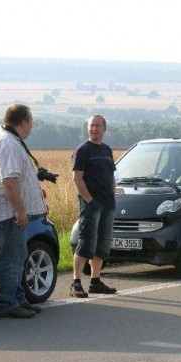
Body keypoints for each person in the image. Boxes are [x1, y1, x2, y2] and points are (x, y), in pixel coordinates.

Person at [0, 104, 46, 318]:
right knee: (12, 259)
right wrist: (20, 211)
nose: (31, 127)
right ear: (22, 122)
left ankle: (18, 299)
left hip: (10, 212)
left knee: (18, 256)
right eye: (30, 122)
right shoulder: (8, 143)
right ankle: (8, 303)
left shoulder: (8, 139)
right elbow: (9, 181)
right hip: (9, 213)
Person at [70, 114, 117, 298]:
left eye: (98, 126)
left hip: (107, 203)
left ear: (105, 128)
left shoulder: (106, 150)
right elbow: (77, 178)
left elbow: (111, 175)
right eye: (91, 126)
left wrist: (113, 193)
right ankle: (76, 283)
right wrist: (89, 200)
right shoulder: (83, 150)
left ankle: (95, 281)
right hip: (91, 204)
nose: (94, 129)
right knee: (86, 242)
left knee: (102, 244)